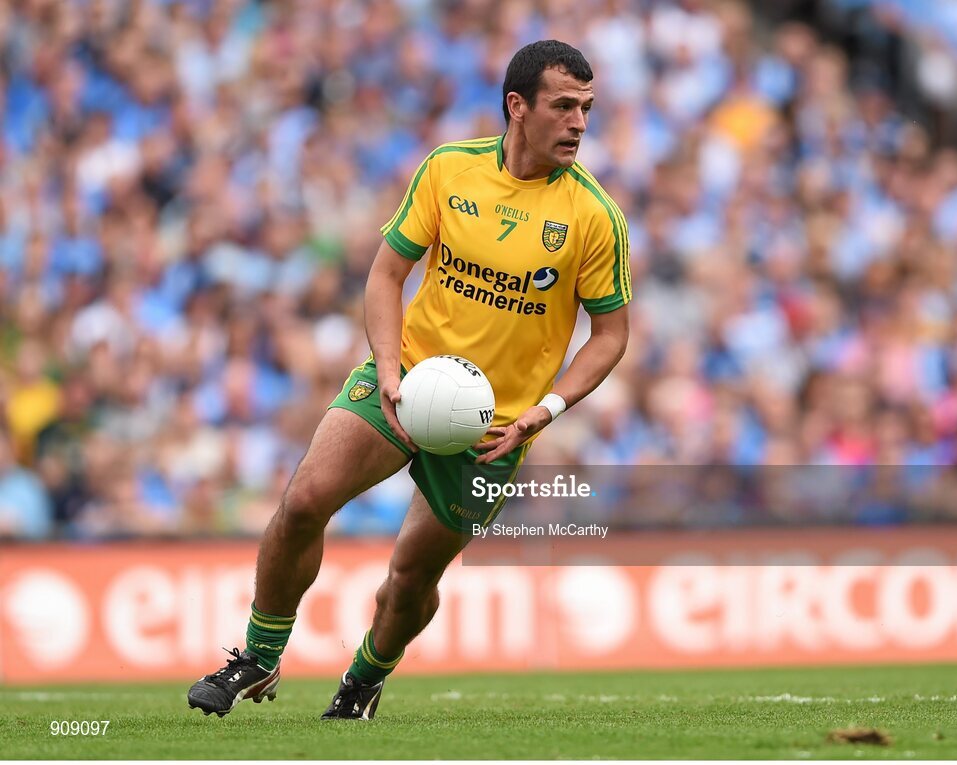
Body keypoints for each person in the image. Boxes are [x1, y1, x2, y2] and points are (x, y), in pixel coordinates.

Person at [186, 39, 631, 720]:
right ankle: (257, 656)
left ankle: (363, 679)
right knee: (304, 499)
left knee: (412, 576)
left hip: (495, 427)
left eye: (587, 109)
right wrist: (389, 369)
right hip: (406, 382)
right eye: (564, 106)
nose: (579, 123)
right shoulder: (449, 169)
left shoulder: (594, 216)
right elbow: (387, 273)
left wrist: (545, 410)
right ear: (518, 106)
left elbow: (611, 334)